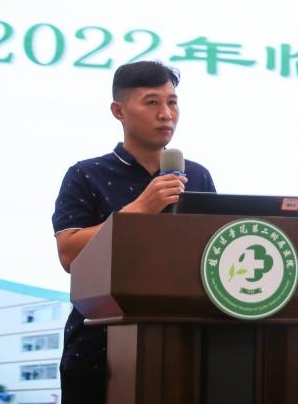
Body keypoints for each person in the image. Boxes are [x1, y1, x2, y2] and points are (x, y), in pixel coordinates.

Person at [51, 60, 216, 404]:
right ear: (119, 111)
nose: (166, 114)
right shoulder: (86, 175)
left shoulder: (197, 176)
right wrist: (140, 208)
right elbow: (69, 255)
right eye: (152, 102)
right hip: (99, 344)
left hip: (185, 340)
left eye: (172, 102)